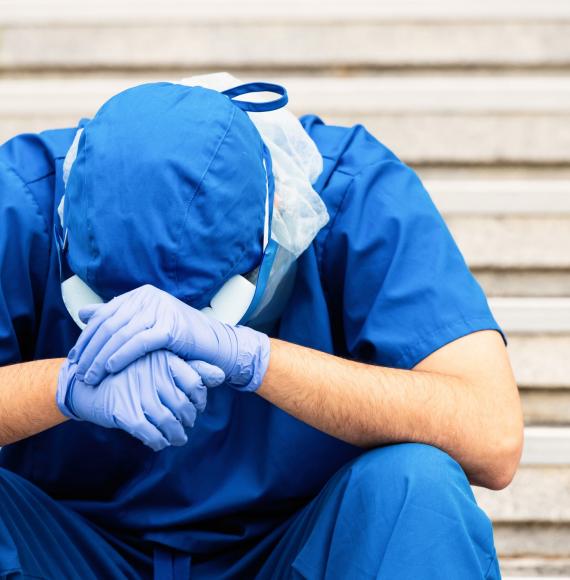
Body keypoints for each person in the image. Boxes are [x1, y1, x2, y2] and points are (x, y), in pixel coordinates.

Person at [0, 73, 523, 579]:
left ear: (276, 234)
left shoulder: (353, 196)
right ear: (66, 227)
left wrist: (253, 357)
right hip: (70, 548)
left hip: (294, 550)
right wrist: (65, 386)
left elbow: (491, 435)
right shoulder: (21, 201)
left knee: (415, 486)